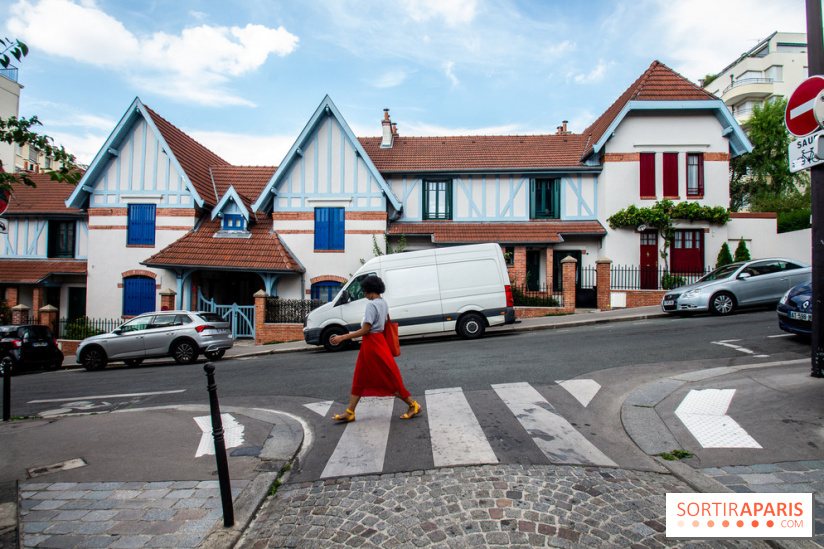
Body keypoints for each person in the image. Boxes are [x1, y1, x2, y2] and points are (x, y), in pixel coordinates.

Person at [330, 275, 421, 422]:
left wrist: (343, 337)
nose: (364, 294)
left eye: (364, 291)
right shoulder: (383, 303)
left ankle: (413, 405)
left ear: (369, 290)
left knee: (387, 378)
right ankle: (350, 412)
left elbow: (366, 329)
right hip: (378, 342)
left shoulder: (371, 305)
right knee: (360, 376)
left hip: (372, 344)